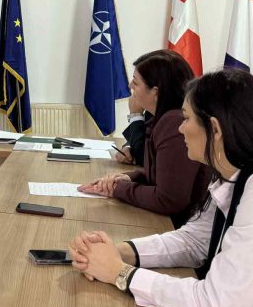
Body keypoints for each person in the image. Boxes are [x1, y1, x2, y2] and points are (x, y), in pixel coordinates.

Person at [69, 69, 253, 307]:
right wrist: (120, 252)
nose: (180, 128)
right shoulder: (233, 174)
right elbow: (195, 241)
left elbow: (219, 306)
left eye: (186, 118)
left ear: (214, 129)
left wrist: (121, 273)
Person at [79, 50, 211, 228]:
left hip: (178, 228)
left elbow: (168, 199)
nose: (130, 86)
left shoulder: (174, 123)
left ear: (155, 92)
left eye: (136, 82)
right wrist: (125, 178)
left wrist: (117, 189)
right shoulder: (161, 117)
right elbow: (159, 175)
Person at [115, 96, 149, 167]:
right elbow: (143, 139)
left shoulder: (167, 115)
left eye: (136, 84)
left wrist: (135, 114)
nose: (130, 87)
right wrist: (128, 147)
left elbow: (143, 155)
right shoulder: (151, 112)